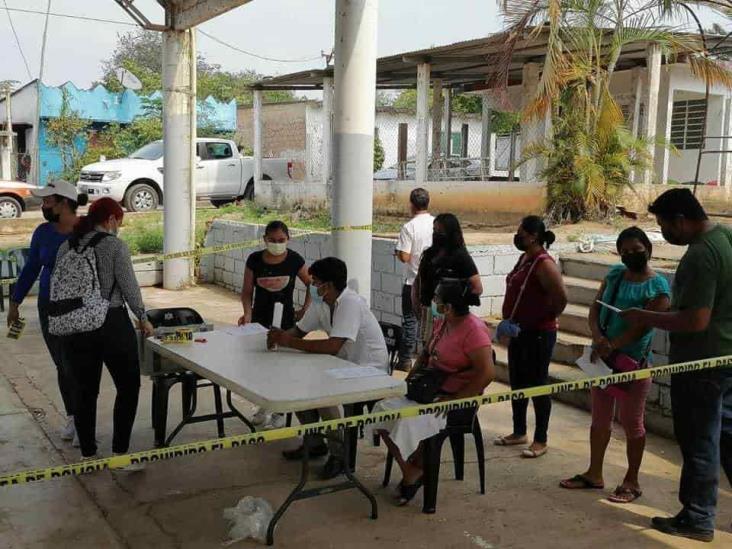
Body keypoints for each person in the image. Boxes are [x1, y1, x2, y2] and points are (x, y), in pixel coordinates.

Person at [620, 189, 732, 542]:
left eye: (665, 225)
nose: (664, 233)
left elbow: (696, 320)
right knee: (727, 440)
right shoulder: (727, 237)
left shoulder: (702, 254)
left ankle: (697, 516)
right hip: (726, 358)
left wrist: (647, 316)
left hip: (701, 365)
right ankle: (700, 512)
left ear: (681, 220)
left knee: (700, 441)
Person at [560, 227, 670, 503]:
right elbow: (596, 307)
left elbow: (647, 325)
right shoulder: (614, 276)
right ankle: (594, 472)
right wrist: (598, 337)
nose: (632, 255)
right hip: (604, 360)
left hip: (634, 364)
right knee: (599, 419)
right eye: (626, 251)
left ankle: (631, 480)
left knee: (632, 423)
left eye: (637, 249)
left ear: (649, 248)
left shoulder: (658, 288)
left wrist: (616, 344)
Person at [371, 278, 495, 505]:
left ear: (448, 306)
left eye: (437, 299)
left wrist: (454, 399)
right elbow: (426, 356)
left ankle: (414, 471)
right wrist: (407, 383)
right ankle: (413, 468)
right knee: (381, 411)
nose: (433, 303)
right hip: (428, 391)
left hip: (455, 400)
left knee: (406, 422)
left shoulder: (474, 330)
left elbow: (486, 373)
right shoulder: (443, 323)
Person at [267, 257, 388, 480]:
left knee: (324, 391)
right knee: (296, 382)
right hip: (344, 365)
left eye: (315, 282)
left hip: (370, 370)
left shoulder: (350, 303)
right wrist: (279, 335)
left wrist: (288, 341)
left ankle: (339, 454)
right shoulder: (322, 304)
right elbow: (298, 332)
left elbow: (333, 346)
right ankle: (314, 442)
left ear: (329, 285)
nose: (312, 286)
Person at [56, 197, 154, 464]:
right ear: (111, 220)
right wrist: (143, 317)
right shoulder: (114, 246)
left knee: (84, 391)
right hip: (110, 322)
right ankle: (120, 454)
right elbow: (129, 287)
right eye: (118, 221)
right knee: (128, 385)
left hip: (74, 324)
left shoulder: (67, 246)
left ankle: (88, 454)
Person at [6, 180, 87, 445]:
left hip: (82, 308)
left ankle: (86, 419)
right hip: (49, 308)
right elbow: (31, 268)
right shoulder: (42, 232)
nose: (42, 206)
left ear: (64, 203)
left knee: (81, 365)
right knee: (63, 365)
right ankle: (74, 417)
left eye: (47, 201)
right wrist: (15, 302)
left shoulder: (87, 231)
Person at [494, 215, 567, 458]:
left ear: (533, 236)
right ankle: (519, 431)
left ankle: (541, 438)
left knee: (537, 383)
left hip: (538, 334)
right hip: (519, 331)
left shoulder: (544, 264)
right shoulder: (524, 258)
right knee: (518, 381)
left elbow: (561, 298)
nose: (518, 237)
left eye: (521, 233)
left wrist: (542, 318)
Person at [238, 220, 311, 429]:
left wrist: (304, 310)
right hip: (260, 320)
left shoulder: (295, 260)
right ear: (264, 240)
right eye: (272, 240)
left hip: (286, 322)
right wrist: (247, 315)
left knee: (282, 367)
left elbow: (311, 285)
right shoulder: (254, 260)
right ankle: (264, 404)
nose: (277, 244)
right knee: (261, 366)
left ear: (288, 239)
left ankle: (280, 412)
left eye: (281, 240)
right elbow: (246, 291)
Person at [413, 213, 483, 349]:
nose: (436, 234)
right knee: (428, 350)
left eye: (440, 231)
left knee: (444, 351)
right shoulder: (429, 254)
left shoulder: (460, 256)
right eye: (434, 230)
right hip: (428, 311)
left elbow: (477, 287)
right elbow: (419, 280)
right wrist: (417, 302)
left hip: (449, 315)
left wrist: (455, 306)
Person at [394, 188, 435, 371]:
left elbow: (405, 256)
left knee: (410, 321)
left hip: (412, 282)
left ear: (411, 204)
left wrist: (397, 252)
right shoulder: (436, 224)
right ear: (428, 203)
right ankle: (430, 361)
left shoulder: (409, 227)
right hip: (433, 284)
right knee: (433, 324)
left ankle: (405, 361)